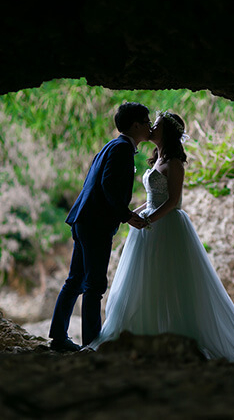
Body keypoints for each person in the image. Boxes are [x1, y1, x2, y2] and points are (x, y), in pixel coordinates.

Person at [88, 111, 234, 363]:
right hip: (148, 224)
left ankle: (176, 334)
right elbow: (150, 199)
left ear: (166, 132)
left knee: (169, 279)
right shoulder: (157, 159)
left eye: (156, 125)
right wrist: (131, 215)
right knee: (146, 280)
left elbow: (173, 202)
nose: (151, 128)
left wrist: (148, 220)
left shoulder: (174, 163)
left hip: (166, 225)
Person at [49, 102, 150, 352]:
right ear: (136, 124)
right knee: (94, 285)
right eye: (147, 121)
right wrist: (126, 216)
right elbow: (107, 186)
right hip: (95, 223)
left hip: (85, 218)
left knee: (75, 280)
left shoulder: (112, 145)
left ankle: (59, 337)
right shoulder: (122, 150)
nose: (149, 126)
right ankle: (91, 343)